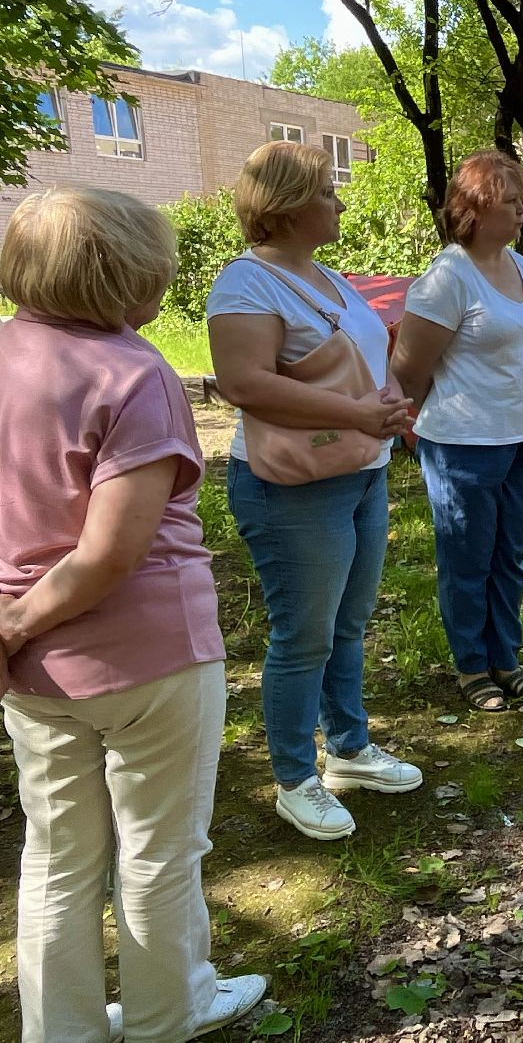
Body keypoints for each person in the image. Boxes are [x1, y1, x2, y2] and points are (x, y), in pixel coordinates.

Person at [0, 187, 266, 1041]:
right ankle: (167, 1015)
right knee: (159, 850)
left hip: (31, 670)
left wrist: (10, 626)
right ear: (119, 277)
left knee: (57, 855)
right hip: (149, 657)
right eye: (156, 267)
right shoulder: (133, 372)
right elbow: (111, 553)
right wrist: (16, 625)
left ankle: (62, 1031)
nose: (165, 280)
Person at [208, 141, 422, 840]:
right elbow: (244, 383)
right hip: (292, 486)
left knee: (347, 624)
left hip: (359, 470)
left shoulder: (328, 277)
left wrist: (390, 405)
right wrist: (358, 414)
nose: (340, 203)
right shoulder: (246, 283)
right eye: (327, 191)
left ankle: (349, 751)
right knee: (303, 636)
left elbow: (368, 362)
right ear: (287, 204)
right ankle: (295, 778)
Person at [391, 151, 523, 712]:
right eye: (510, 202)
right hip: (463, 444)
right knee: (468, 561)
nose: (521, 211)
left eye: (522, 201)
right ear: (476, 210)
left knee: (509, 557)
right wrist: (409, 430)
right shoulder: (447, 278)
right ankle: (472, 666)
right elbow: (407, 369)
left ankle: (506, 658)